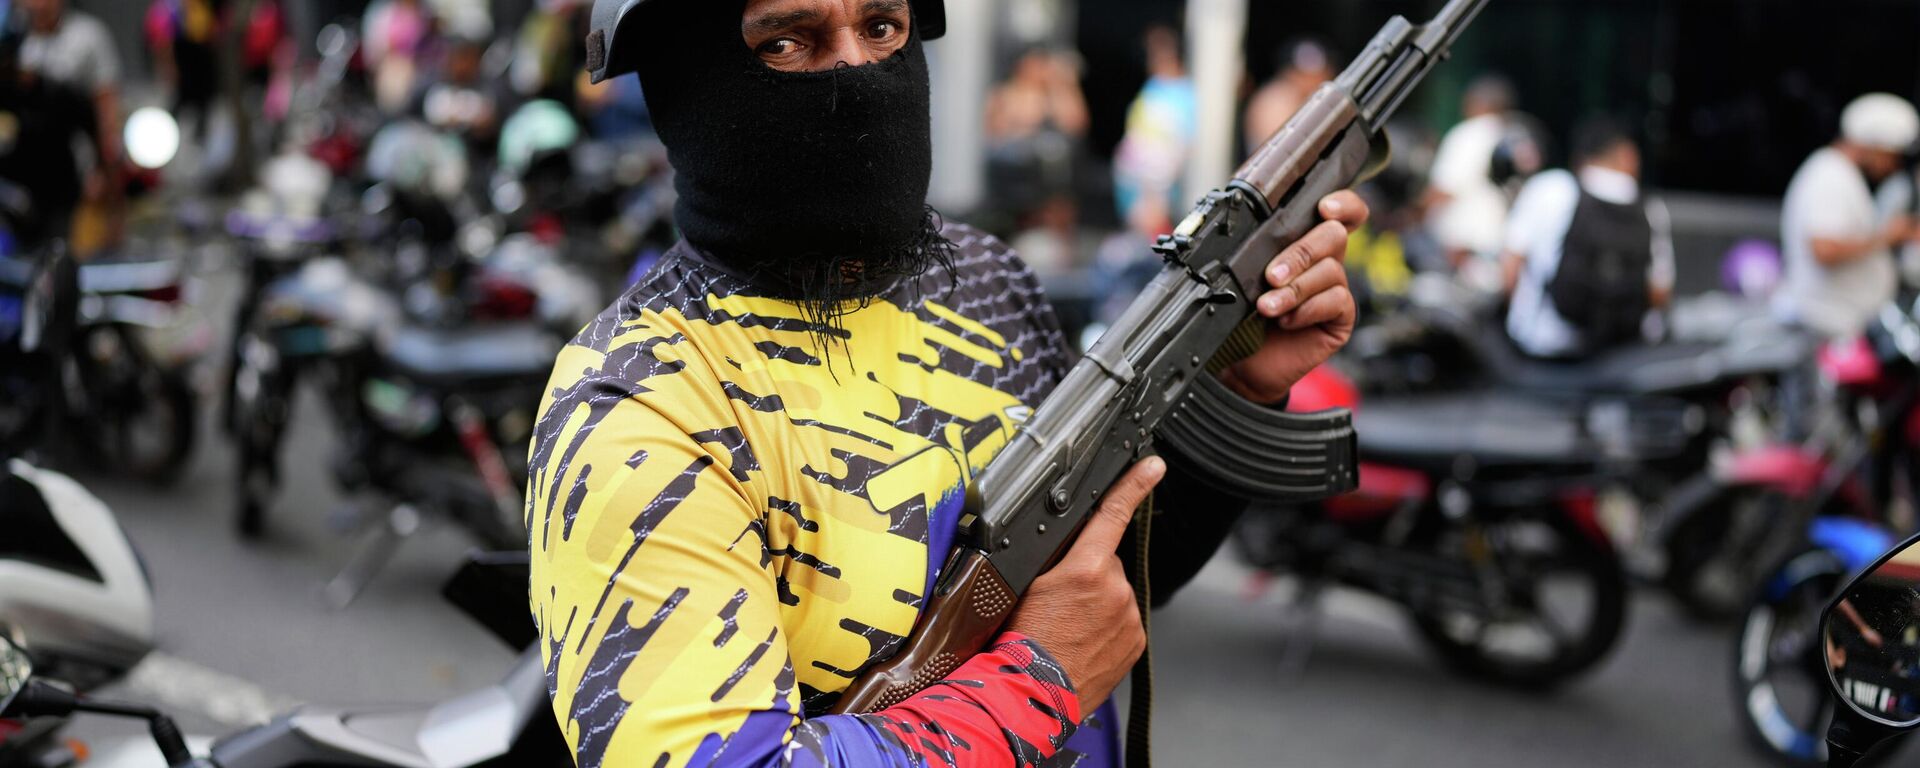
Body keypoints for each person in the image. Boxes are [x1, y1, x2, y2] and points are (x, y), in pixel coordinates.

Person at [528, 1, 1368, 765]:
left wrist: (1237, 383)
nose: (857, 71)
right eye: (787, 41)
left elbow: (1095, 587)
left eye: (882, 27)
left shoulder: (986, 283)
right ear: (684, 83)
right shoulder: (638, 404)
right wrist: (1039, 685)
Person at [1502, 118, 1674, 359]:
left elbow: (1509, 271)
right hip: (1620, 354)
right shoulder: (1650, 208)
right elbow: (1660, 293)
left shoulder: (1552, 188)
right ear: (1628, 155)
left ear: (1579, 158)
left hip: (1546, 349)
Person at [1775, 94, 1920, 339]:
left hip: (1840, 326)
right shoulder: (1830, 175)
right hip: (1824, 326)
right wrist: (1887, 236)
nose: (1892, 166)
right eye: (1890, 155)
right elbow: (1824, 249)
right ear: (1873, 144)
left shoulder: (1839, 173)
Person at [17, 0, 118, 249]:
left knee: (69, 245)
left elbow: (105, 103)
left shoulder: (88, 37)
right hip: (23, 169)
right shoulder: (15, 38)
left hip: (73, 167)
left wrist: (103, 167)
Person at [1112, 22, 1195, 238]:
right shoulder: (1153, 86)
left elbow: (1173, 150)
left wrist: (1154, 194)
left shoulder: (1186, 93)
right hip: (1135, 188)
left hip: (1156, 194)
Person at [1424, 74, 1515, 269]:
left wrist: (1414, 215)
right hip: (1497, 248)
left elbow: (1444, 189)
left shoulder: (1469, 133)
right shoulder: (1512, 136)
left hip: (1461, 251)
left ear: (1478, 103)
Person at [1242, 39, 1333, 153]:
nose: (1315, 80)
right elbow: (1283, 148)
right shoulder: (1274, 100)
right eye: (1307, 75)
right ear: (1291, 73)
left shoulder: (1319, 99)